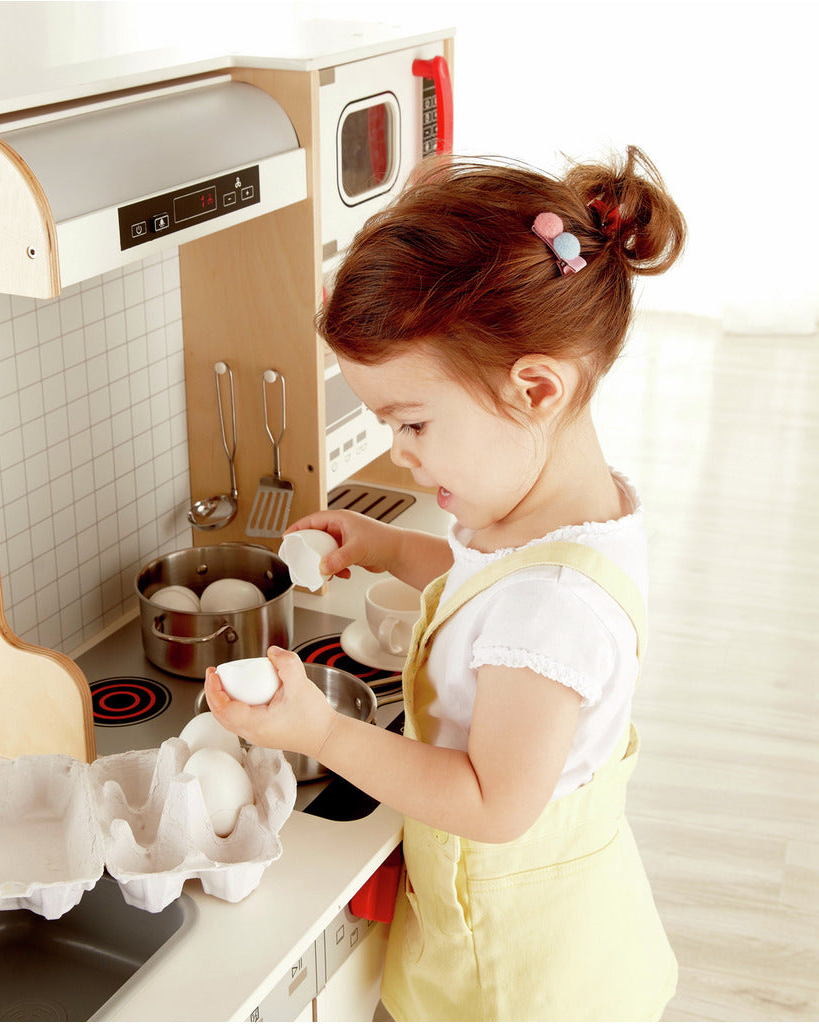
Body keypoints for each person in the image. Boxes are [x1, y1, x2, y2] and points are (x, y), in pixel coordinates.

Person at [204, 145, 686, 1021]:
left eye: (412, 420)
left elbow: (491, 802)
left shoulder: (553, 614)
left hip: (520, 979)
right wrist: (389, 546)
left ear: (535, 387)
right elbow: (486, 580)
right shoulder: (562, 522)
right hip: (542, 928)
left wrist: (320, 730)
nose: (399, 450)